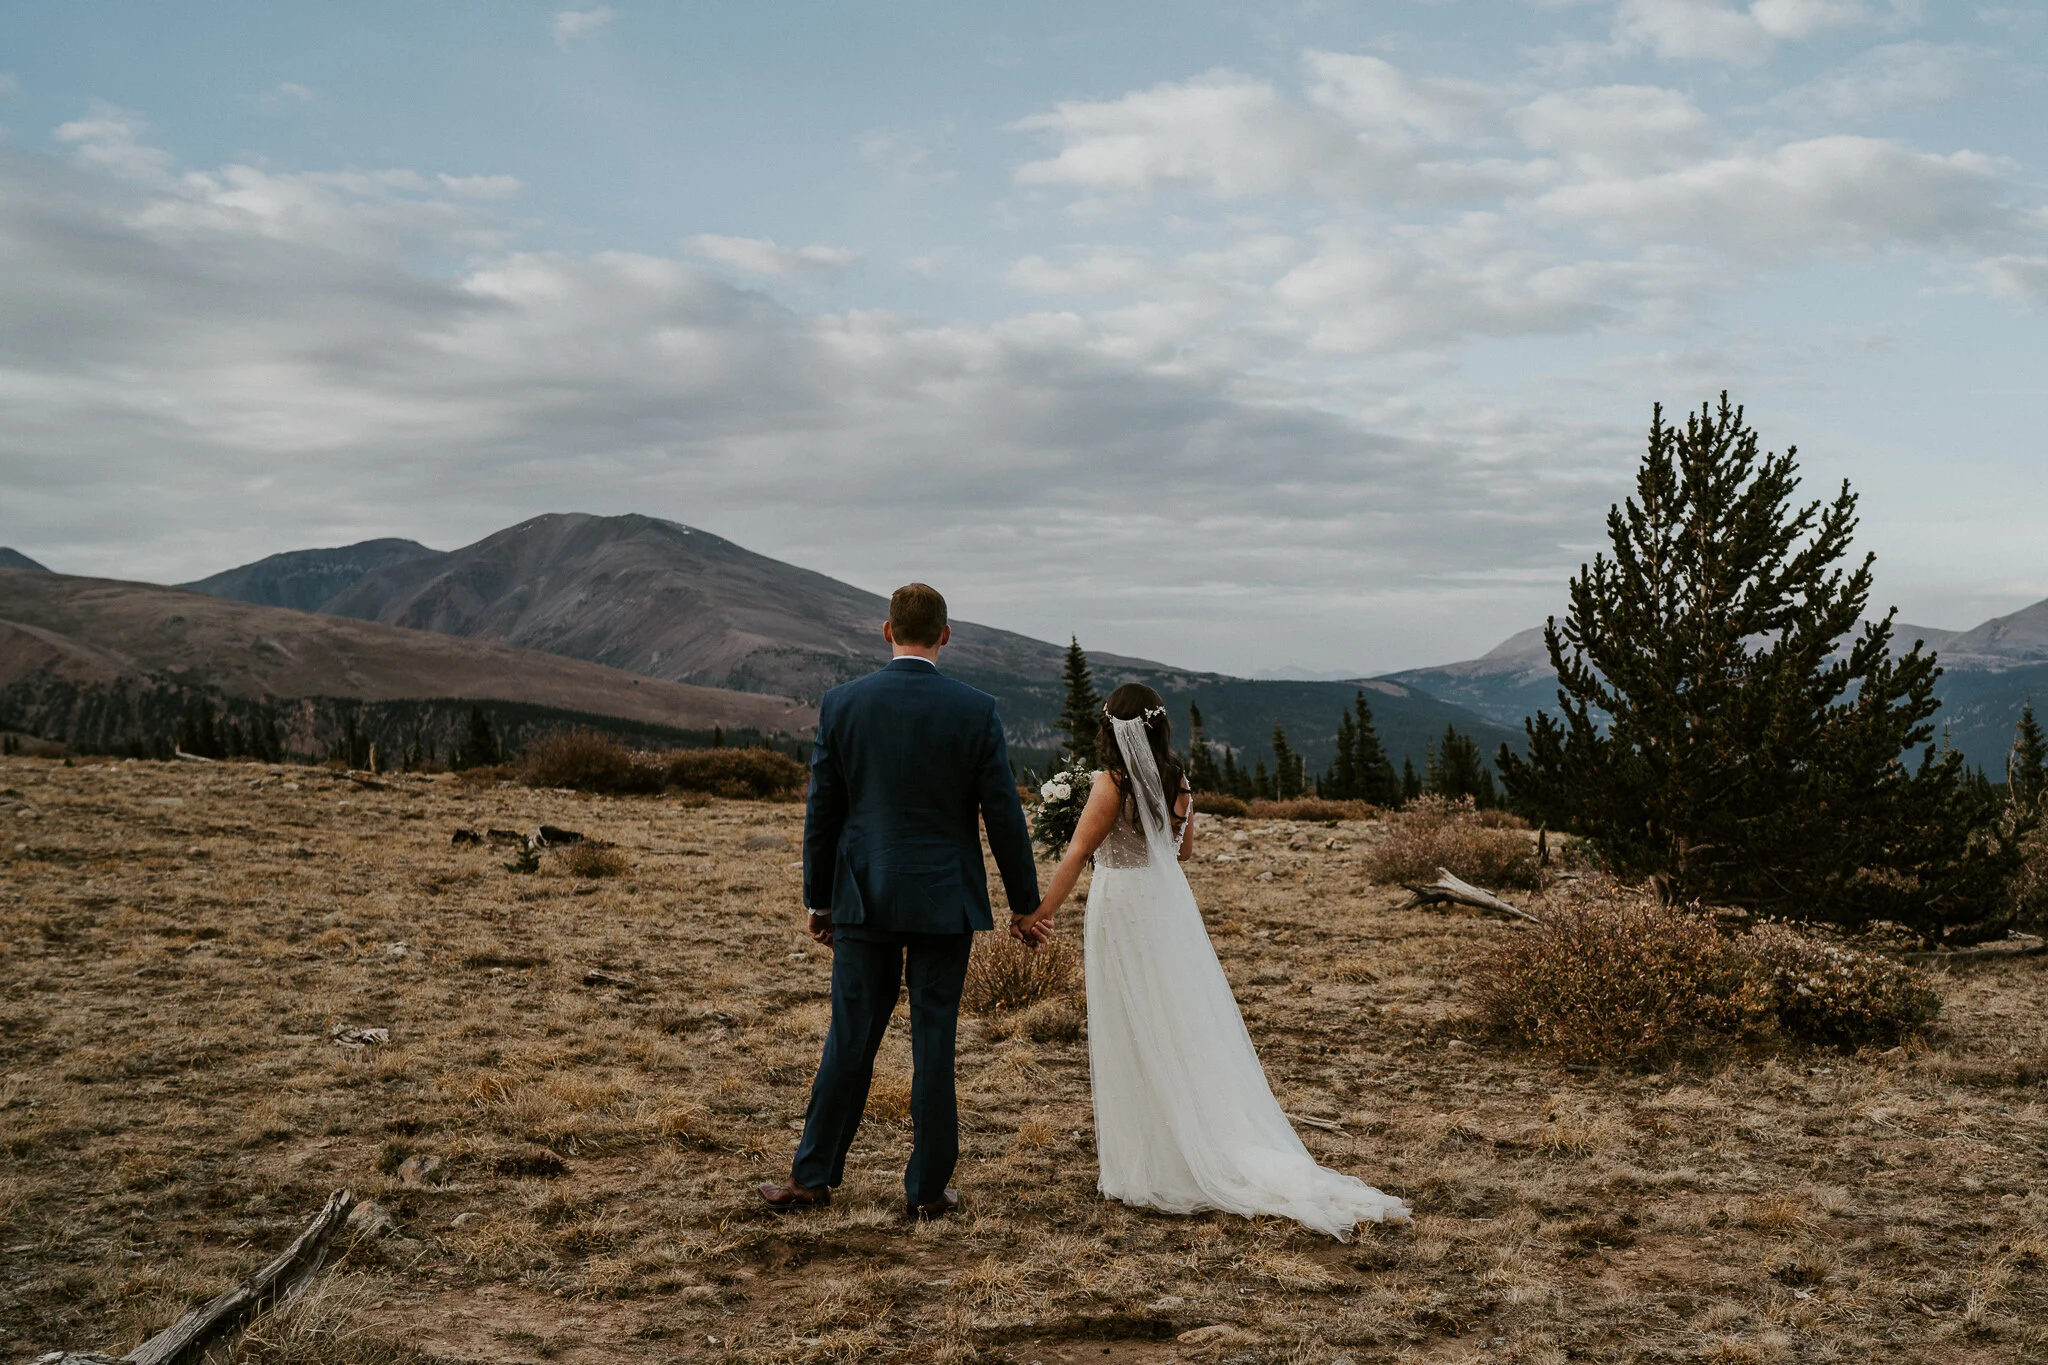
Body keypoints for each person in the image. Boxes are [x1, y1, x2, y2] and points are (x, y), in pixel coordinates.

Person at [1016, 684, 1409, 1240]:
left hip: (1123, 907)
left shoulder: (1111, 782)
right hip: (1164, 904)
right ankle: (1184, 1141)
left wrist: (1037, 914)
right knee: (1176, 1019)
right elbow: (1184, 852)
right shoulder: (1177, 779)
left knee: (1131, 1022)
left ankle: (1151, 1163)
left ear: (1111, 729)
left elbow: (1079, 853)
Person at [759, 583, 1041, 1221]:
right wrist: (1027, 905)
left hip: (863, 896)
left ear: (887, 632)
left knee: (850, 1038)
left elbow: (823, 814)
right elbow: (1003, 814)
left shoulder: (843, 704)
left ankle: (811, 1178)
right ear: (946, 635)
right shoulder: (976, 709)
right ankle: (929, 1191)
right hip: (946, 903)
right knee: (934, 1043)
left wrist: (819, 898)